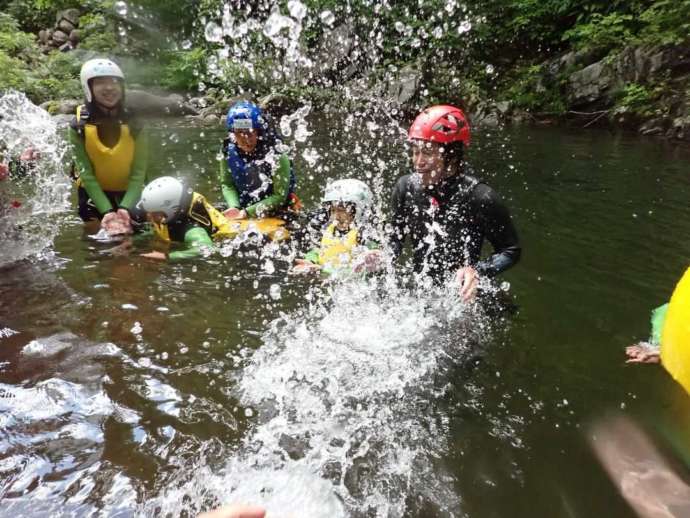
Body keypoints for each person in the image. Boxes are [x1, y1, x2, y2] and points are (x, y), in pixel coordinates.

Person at [386, 104, 521, 301]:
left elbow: (511, 250)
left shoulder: (480, 197)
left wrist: (477, 271)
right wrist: (383, 255)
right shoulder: (405, 187)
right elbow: (395, 238)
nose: (418, 162)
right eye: (415, 151)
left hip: (462, 296)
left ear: (452, 157)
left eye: (428, 153)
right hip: (420, 292)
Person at [69, 58, 148, 235]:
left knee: (136, 239)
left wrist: (125, 208)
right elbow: (86, 173)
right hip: (92, 193)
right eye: (100, 83)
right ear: (88, 88)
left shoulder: (135, 123)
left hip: (130, 192)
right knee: (97, 241)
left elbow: (139, 172)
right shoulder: (78, 126)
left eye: (114, 82)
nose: (109, 88)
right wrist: (106, 210)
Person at [219, 101, 297, 220]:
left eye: (250, 132)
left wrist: (247, 212)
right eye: (240, 133)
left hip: (278, 207)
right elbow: (227, 185)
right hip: (243, 207)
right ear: (233, 134)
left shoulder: (277, 153)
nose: (247, 140)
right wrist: (235, 208)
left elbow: (279, 196)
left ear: (258, 131)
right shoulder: (227, 149)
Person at [293, 179, 379, 275]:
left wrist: (322, 271)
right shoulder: (328, 230)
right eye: (333, 210)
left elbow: (357, 272)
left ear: (359, 211)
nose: (336, 216)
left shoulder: (365, 236)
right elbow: (318, 251)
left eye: (341, 210)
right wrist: (311, 261)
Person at [138, 176, 234, 261]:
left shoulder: (191, 229)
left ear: (170, 209)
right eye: (148, 212)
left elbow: (208, 249)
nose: (149, 216)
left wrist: (167, 256)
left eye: (154, 213)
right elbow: (156, 231)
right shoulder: (168, 215)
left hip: (229, 237)